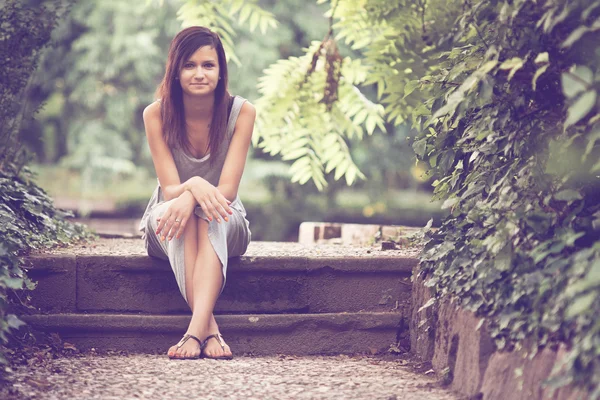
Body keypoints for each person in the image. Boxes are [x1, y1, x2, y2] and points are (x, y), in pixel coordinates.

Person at [138, 26, 255, 360]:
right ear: (175, 71)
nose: (199, 73)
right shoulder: (155, 114)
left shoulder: (242, 112)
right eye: (189, 65)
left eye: (208, 65)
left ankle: (193, 333)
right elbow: (169, 187)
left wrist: (194, 194)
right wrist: (193, 187)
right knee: (189, 215)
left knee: (205, 215)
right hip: (168, 219)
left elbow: (228, 190)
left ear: (221, 71)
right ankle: (210, 330)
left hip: (225, 216)